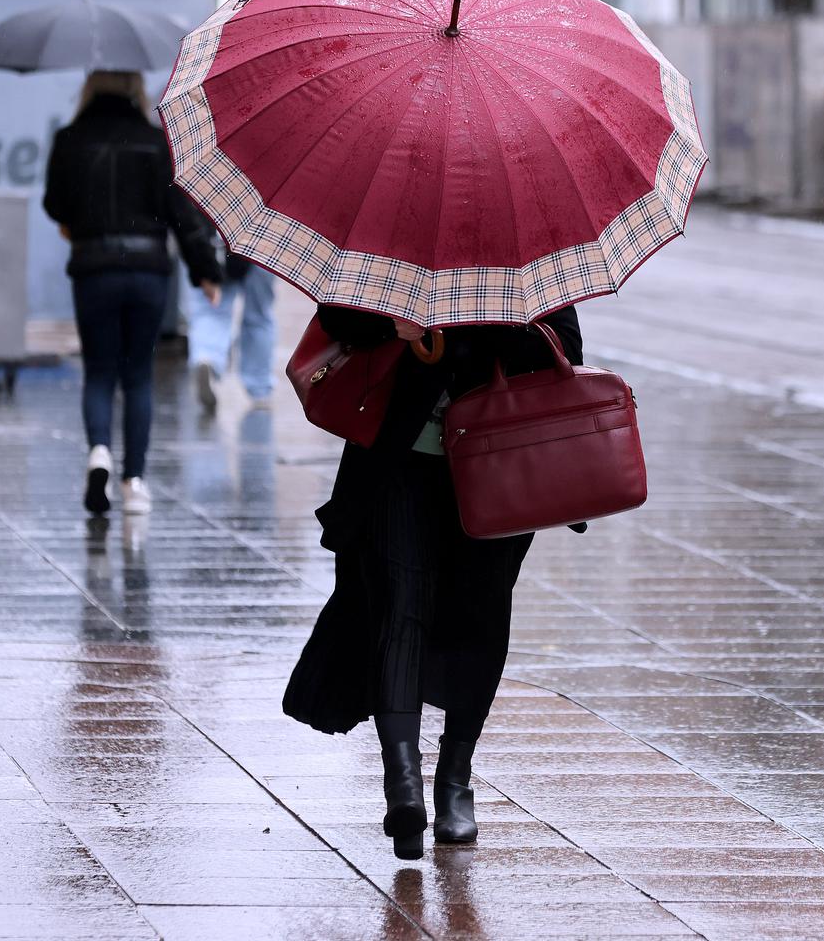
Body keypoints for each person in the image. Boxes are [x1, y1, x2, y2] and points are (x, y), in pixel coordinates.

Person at [282, 304, 582, 860]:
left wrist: (492, 329)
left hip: (498, 468)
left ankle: (455, 782)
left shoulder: (520, 267)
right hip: (399, 462)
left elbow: (564, 351)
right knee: (400, 610)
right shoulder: (397, 248)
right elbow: (338, 321)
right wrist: (396, 327)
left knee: (482, 619)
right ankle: (403, 787)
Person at [43, 70, 223, 516]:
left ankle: (99, 452)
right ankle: (134, 483)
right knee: (139, 375)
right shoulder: (156, 140)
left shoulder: (69, 139)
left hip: (93, 268)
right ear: (136, 89)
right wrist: (205, 269)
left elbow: (54, 203)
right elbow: (180, 211)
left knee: (100, 372)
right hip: (147, 272)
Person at [187, 245, 276, 412]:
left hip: (216, 241)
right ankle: (259, 388)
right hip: (264, 243)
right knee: (258, 317)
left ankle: (206, 356)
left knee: (212, 311)